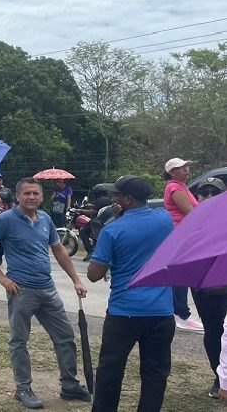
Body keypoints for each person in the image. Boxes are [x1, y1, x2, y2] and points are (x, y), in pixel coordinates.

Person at [0, 177, 91, 410]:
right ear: (18, 196)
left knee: (65, 338)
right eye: (27, 193)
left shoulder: (46, 219)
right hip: (21, 290)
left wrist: (76, 280)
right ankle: (23, 388)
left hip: (48, 289)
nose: (31, 197)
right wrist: (2, 277)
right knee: (19, 341)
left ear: (41, 196)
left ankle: (69, 385)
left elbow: (58, 249)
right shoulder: (6, 219)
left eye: (36, 193)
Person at [87, 175, 175, 411]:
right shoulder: (164, 219)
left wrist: (106, 230)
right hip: (162, 311)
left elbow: (94, 274)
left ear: (127, 199)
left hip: (124, 311)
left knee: (110, 371)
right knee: (155, 373)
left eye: (117, 195)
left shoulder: (112, 229)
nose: (113, 198)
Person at [190, 177, 227, 398]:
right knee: (214, 332)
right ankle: (219, 376)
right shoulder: (192, 222)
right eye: (205, 193)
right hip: (204, 287)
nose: (210, 197)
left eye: (215, 192)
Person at [163, 157, 205, 333]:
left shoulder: (182, 187)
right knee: (181, 275)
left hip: (183, 235)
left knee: (181, 274)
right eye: (181, 168)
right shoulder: (174, 187)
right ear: (172, 172)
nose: (186, 170)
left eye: (187, 166)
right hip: (180, 235)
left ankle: (178, 313)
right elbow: (190, 213)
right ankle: (182, 315)